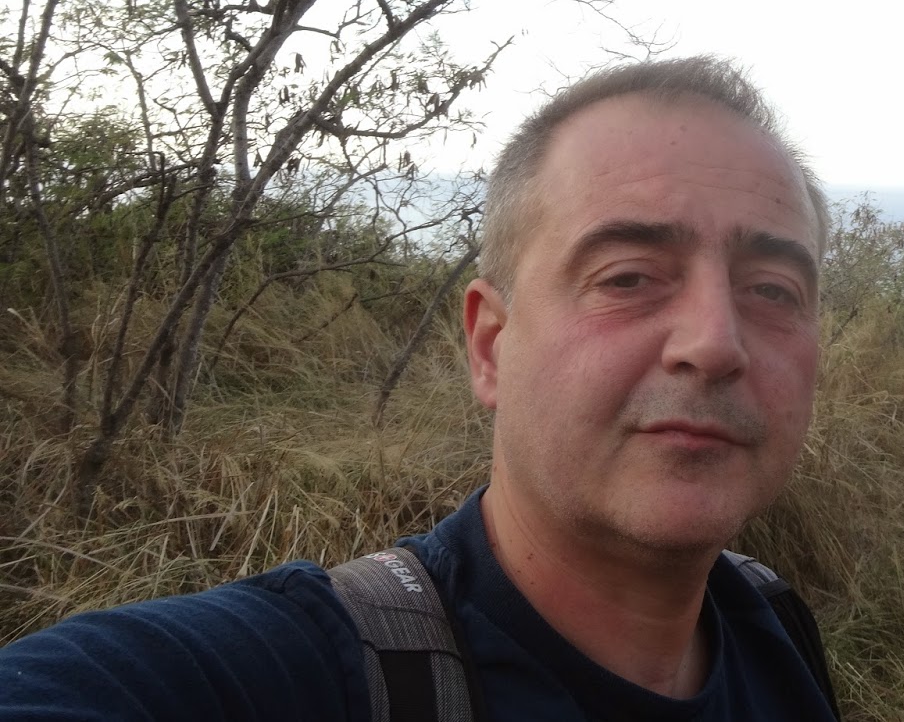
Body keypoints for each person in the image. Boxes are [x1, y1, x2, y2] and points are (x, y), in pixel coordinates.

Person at [0, 56, 839, 721]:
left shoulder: (776, 628)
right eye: (627, 277)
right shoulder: (303, 671)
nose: (716, 342)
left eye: (772, 290)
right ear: (490, 345)